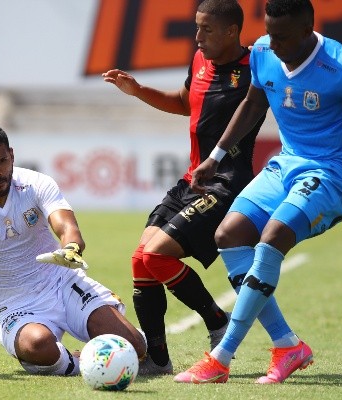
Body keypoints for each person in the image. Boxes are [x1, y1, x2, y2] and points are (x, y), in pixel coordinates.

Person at [176, 0, 342, 384]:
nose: (273, 44)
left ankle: (221, 358)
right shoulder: (263, 50)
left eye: (282, 37)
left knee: (272, 238)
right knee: (229, 235)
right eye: (269, 33)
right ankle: (288, 345)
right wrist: (216, 157)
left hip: (334, 173)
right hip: (286, 165)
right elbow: (253, 103)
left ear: (307, 31)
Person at [102, 0, 300, 376]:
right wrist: (138, 90)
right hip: (193, 178)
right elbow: (183, 103)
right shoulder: (199, 61)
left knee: (156, 256)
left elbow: (285, 95)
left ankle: (216, 321)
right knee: (141, 261)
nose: (197, 37)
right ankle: (158, 359)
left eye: (206, 29)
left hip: (226, 184)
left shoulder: (256, 65)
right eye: (197, 27)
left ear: (231, 31)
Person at [0, 124, 147, 376]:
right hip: (12, 304)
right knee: (38, 344)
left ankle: (114, 348)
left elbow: (67, 227)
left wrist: (71, 247)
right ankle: (78, 362)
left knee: (134, 346)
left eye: (2, 161)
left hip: (61, 282)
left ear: (11, 155)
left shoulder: (35, 183)